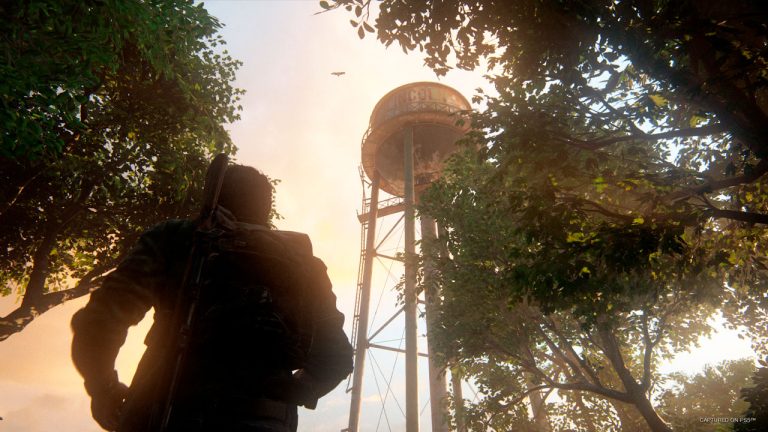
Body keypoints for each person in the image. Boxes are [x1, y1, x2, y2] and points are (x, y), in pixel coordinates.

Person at [71, 163, 354, 432]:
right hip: (265, 421)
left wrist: (103, 388)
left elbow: (101, 320)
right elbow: (336, 356)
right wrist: (286, 392)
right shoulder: (305, 265)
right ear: (266, 210)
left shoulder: (179, 237)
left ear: (212, 197)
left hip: (165, 412)